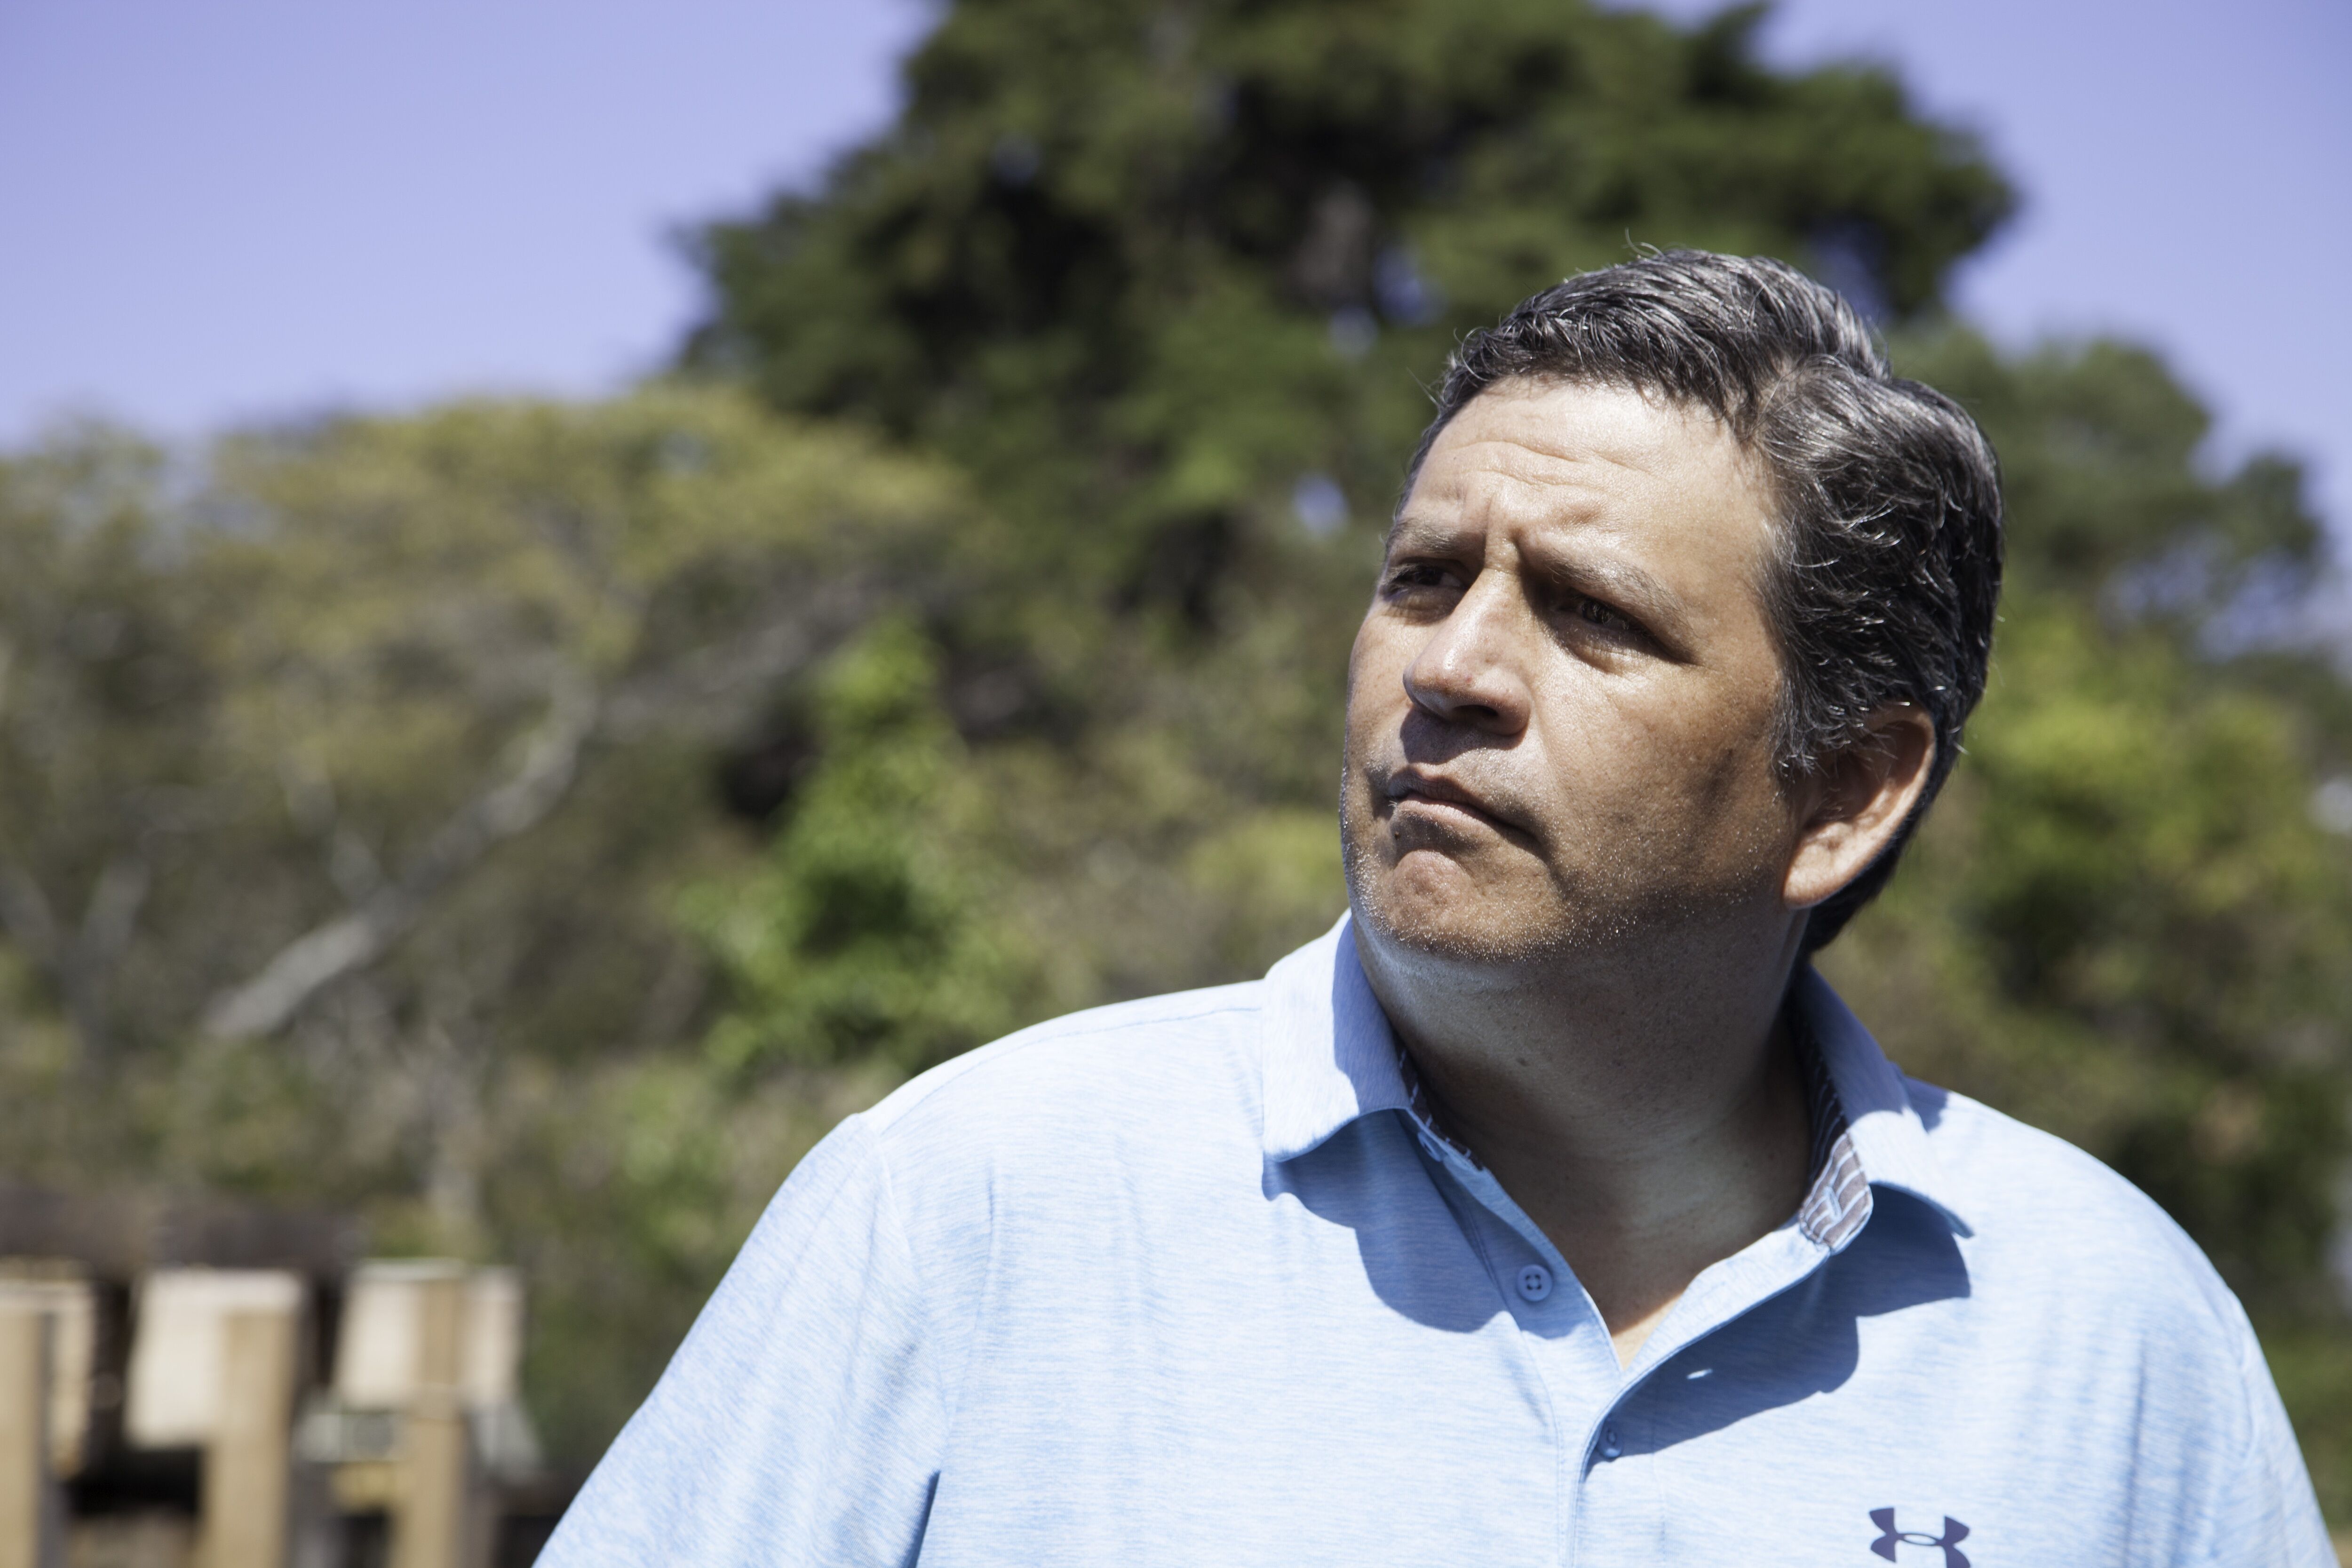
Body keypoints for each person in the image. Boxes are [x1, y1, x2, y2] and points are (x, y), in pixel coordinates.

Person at [540, 252, 2332, 1565]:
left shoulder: (2112, 1339)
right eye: (1421, 577)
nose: (1451, 669)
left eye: (1594, 614)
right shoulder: (970, 1207)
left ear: (1850, 789)